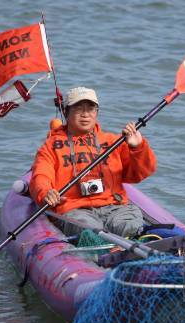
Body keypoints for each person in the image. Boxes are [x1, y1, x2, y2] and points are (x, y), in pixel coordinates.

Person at [29, 87, 157, 237]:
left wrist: (138, 147)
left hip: (114, 207)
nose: (85, 114)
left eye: (90, 109)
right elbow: (41, 175)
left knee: (130, 225)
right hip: (75, 209)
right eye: (78, 109)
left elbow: (139, 174)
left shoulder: (113, 141)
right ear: (66, 112)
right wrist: (45, 192)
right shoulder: (50, 146)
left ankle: (125, 249)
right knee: (90, 231)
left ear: (96, 113)